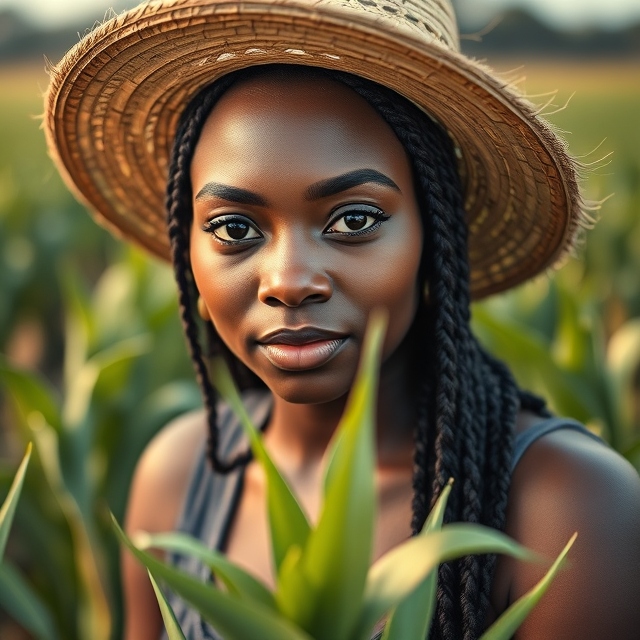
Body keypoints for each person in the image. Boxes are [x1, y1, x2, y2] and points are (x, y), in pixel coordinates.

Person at [43, 1, 640, 639]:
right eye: (234, 228)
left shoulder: (570, 510)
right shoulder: (178, 476)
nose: (290, 280)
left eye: (354, 219)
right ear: (187, 247)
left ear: (435, 231)